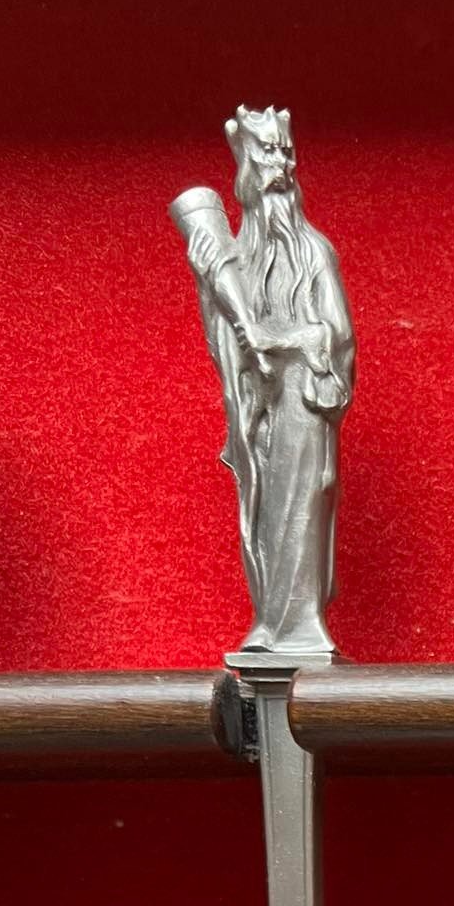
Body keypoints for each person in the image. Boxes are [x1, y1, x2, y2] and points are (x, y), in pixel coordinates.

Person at [178, 105, 355, 654]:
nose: (280, 166)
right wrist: (209, 287)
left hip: (302, 402)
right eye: (268, 154)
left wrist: (283, 339)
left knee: (298, 506)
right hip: (260, 413)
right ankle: (271, 622)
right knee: (263, 512)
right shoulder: (236, 258)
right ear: (246, 167)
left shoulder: (314, 251)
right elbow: (228, 346)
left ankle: (297, 625)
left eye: (286, 154)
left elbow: (337, 334)